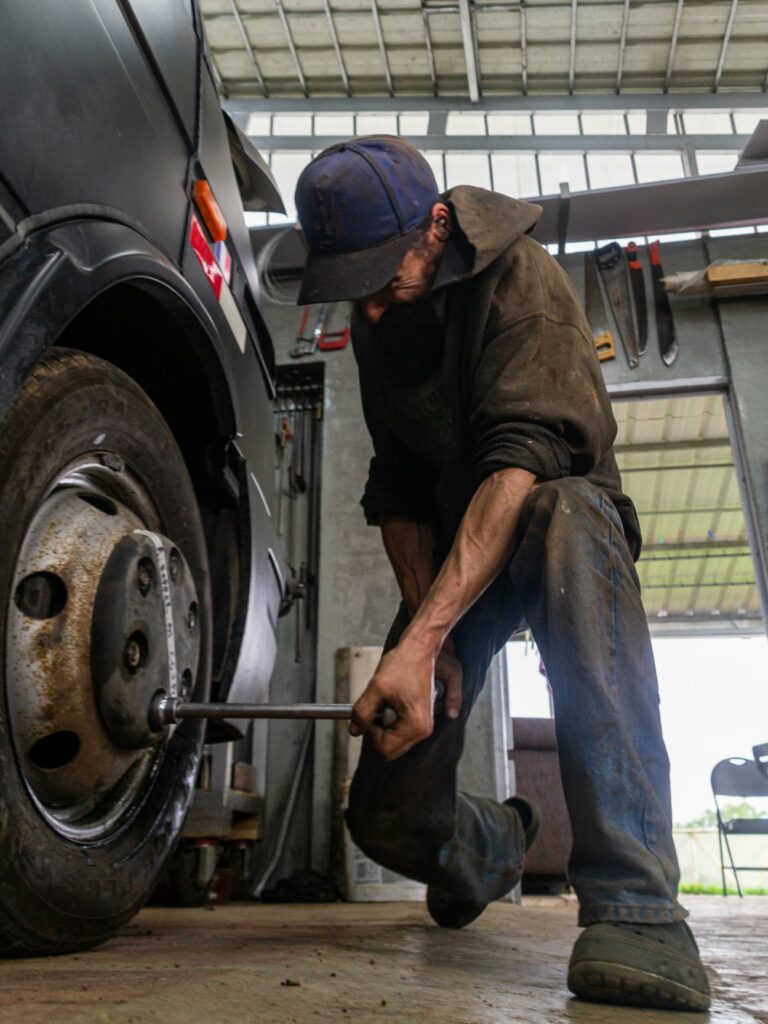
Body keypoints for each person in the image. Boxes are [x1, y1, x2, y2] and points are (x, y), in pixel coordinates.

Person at [294, 135, 710, 1011]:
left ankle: (638, 910)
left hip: (557, 526)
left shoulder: (525, 282)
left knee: (560, 515)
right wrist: (424, 636)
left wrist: (431, 631)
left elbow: (522, 461)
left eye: (383, 275)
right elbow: (400, 482)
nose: (367, 308)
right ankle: (493, 847)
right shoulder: (382, 315)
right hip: (461, 549)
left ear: (436, 226)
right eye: (354, 283)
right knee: (383, 818)